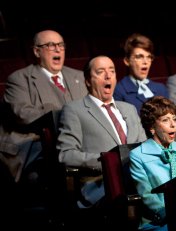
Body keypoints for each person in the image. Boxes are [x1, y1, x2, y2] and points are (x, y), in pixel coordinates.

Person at [57, 55, 146, 208]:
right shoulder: (74, 110)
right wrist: (108, 162)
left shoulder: (129, 109)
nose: (108, 75)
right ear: (87, 81)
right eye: (100, 71)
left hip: (139, 180)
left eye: (112, 71)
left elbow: (145, 147)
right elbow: (66, 155)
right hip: (102, 184)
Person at [0, 30, 87, 183]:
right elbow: (23, 115)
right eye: (50, 45)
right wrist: (54, 110)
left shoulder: (78, 76)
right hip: (36, 144)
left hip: (78, 141)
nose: (58, 49)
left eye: (61, 45)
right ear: (36, 51)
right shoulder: (19, 79)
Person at [130, 96, 176, 231]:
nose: (173, 125)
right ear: (151, 127)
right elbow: (147, 196)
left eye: (174, 119)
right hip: (159, 220)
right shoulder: (138, 155)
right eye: (165, 120)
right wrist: (173, 214)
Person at [113, 33, 169, 114]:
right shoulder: (119, 90)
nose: (145, 62)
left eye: (149, 57)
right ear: (127, 61)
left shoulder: (161, 89)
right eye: (139, 57)